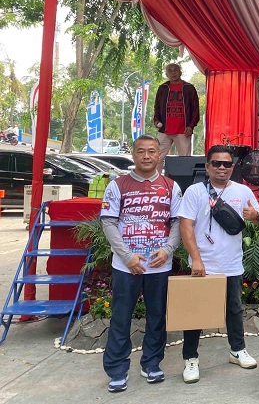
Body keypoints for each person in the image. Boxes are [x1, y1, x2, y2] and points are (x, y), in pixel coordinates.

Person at [100, 135, 182, 393]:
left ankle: (152, 364)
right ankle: (116, 369)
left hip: (159, 265)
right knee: (121, 318)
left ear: (160, 155)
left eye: (151, 152)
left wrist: (168, 250)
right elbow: (109, 222)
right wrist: (127, 256)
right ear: (133, 155)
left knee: (157, 317)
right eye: (141, 152)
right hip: (126, 266)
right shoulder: (117, 185)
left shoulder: (171, 187)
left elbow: (178, 223)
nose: (146, 156)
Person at [177, 145, 259, 383]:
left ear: (233, 167)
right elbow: (185, 226)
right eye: (216, 163)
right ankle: (190, 359)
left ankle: (237, 350)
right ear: (207, 167)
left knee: (234, 310)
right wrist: (196, 259)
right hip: (202, 265)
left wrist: (255, 216)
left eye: (227, 164)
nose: (222, 168)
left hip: (231, 264)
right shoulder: (195, 192)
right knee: (195, 314)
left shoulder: (243, 190)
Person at [153, 63, 200, 172]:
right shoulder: (163, 88)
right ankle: (155, 182)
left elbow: (195, 109)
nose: (173, 72)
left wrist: (191, 126)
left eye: (175, 70)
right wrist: (156, 120)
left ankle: (183, 185)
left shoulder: (189, 88)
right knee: (156, 157)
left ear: (180, 72)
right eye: (170, 70)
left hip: (183, 130)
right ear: (166, 74)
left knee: (184, 160)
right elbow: (157, 106)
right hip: (164, 129)